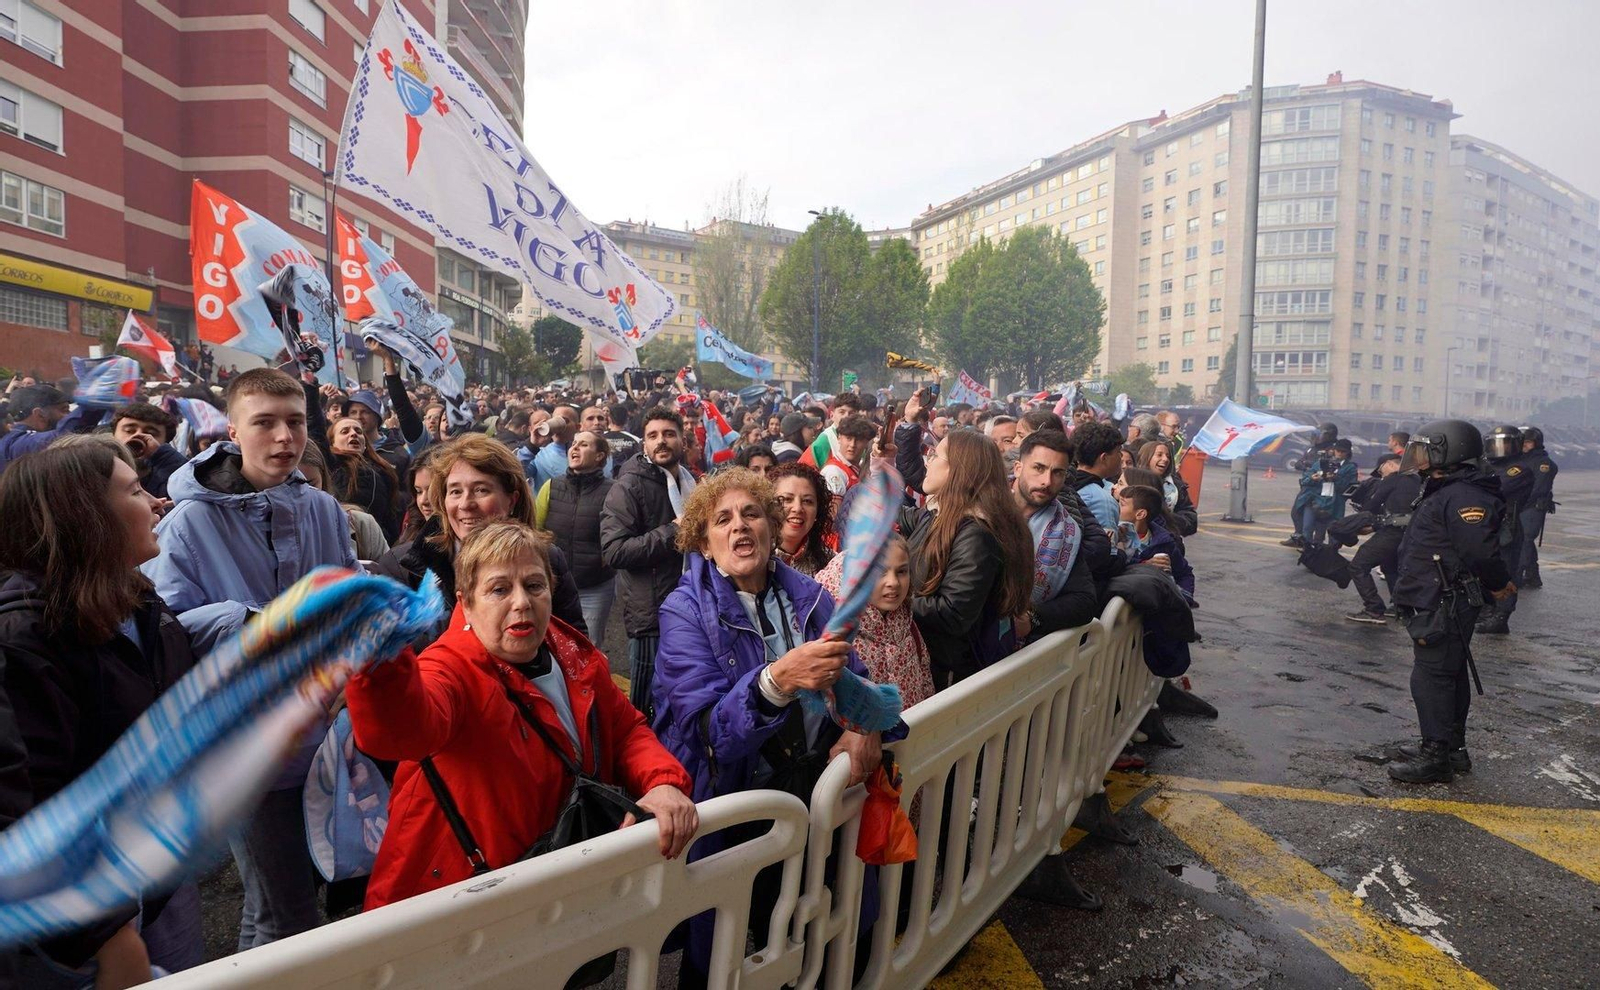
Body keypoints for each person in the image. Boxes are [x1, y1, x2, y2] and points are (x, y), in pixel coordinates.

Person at [346, 522, 695, 910]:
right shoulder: (450, 668)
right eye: (499, 589)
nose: (521, 602)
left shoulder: (571, 650)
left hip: (547, 886)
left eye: (534, 585)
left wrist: (663, 781)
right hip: (452, 905)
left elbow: (625, 728)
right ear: (465, 601)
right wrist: (381, 661)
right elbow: (401, 732)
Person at [650, 469, 900, 986]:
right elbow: (707, 734)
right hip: (732, 808)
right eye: (723, 520)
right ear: (704, 541)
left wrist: (865, 729)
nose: (740, 528)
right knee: (716, 953)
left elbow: (859, 683)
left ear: (771, 525)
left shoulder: (812, 597)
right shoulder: (682, 611)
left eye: (751, 514)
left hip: (811, 802)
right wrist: (775, 680)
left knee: (803, 935)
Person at [142, 368, 357, 951]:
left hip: (324, 737)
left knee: (276, 907)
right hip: (244, 747)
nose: (284, 438)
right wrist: (247, 621)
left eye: (295, 422)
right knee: (289, 918)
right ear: (233, 431)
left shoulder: (323, 509)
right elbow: (161, 630)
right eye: (265, 423)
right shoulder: (188, 523)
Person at [0, 436, 201, 984]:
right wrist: (107, 934)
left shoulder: (138, 599)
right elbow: (35, 813)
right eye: (136, 490)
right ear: (85, 517)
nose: (158, 501)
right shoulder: (25, 638)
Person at [1386, 421, 1515, 784]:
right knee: (1449, 673)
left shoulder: (1465, 496)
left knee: (1431, 678)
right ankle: (1452, 749)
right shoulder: (1449, 488)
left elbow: (1479, 551)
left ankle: (1435, 756)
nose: (1419, 457)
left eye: (1427, 449)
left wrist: (1499, 584)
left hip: (1444, 600)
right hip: (1434, 595)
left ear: (1450, 451)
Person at [373, 434, 586, 641]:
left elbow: (573, 641)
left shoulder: (548, 558)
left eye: (481, 490)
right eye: (455, 492)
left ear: (512, 500)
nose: (466, 504)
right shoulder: (400, 567)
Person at [900, 429, 1035, 688]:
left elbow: (954, 613)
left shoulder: (976, 533)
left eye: (936, 455)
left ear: (958, 470)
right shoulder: (940, 514)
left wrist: (893, 599)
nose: (927, 461)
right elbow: (899, 514)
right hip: (931, 662)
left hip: (949, 675)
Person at [601, 407, 694, 718]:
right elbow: (615, 552)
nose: (661, 441)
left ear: (683, 439)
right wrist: (674, 531)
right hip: (649, 616)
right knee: (642, 704)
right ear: (644, 443)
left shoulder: (689, 481)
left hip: (687, 605)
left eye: (669, 434)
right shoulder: (628, 486)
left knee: (677, 693)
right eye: (653, 436)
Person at [1011, 430, 1098, 641]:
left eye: (1057, 472)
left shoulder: (1066, 531)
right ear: (1018, 468)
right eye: (1038, 468)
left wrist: (1032, 618)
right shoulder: (983, 510)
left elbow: (1083, 601)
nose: (1047, 481)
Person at [536, 430, 616, 646]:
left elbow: (619, 532)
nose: (575, 448)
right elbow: (534, 529)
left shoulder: (614, 491)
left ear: (599, 456)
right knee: (553, 643)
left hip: (594, 587)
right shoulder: (551, 486)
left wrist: (606, 559)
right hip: (554, 585)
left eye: (583, 444)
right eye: (574, 444)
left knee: (587, 646)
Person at [1343, 456, 1422, 624]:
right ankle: (1400, 607)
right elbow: (1403, 513)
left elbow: (1371, 507)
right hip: (1410, 533)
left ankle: (1373, 609)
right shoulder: (1418, 479)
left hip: (1393, 532)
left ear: (1390, 464)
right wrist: (1376, 527)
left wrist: (1357, 523)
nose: (1381, 475)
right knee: (1390, 566)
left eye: (1381, 470)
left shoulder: (1393, 479)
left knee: (1358, 565)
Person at [1475, 425, 1532, 635]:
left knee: (1507, 571)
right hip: (1485, 525)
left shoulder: (1518, 470)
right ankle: (1485, 609)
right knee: (1483, 568)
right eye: (1497, 443)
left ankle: (1501, 616)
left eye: (1507, 443)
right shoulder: (1486, 465)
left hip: (1506, 526)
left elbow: (1498, 488)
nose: (1501, 448)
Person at [322, 415, 403, 541]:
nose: (353, 434)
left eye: (358, 431)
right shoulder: (330, 466)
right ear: (332, 443)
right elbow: (314, 424)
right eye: (345, 431)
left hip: (375, 544)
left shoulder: (384, 473)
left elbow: (390, 518)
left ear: (365, 444)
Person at [1116, 485, 1194, 597]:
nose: (1115, 506)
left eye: (1121, 504)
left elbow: (1185, 573)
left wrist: (1184, 597)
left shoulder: (1164, 541)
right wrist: (1144, 565)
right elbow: (1112, 567)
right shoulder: (1115, 534)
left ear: (1140, 514)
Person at [0, 383, 98, 472]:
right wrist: (93, 405)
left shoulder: (13, 439)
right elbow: (63, 437)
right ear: (40, 415)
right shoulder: (18, 444)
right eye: (64, 410)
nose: (69, 415)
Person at [767, 461, 834, 576]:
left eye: (807, 501)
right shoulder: (753, 557)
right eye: (787, 499)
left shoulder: (831, 564)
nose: (797, 508)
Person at [110, 402, 187, 499]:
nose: (137, 436)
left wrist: (162, 456)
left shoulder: (172, 476)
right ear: (113, 435)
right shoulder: (95, 468)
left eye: (150, 433)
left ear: (165, 443)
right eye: (129, 431)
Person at [1294, 438, 1357, 547]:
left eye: (1343, 452)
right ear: (1334, 450)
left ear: (1348, 453)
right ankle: (1308, 552)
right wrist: (1312, 478)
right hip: (1314, 500)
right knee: (1307, 529)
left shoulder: (1350, 468)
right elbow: (1305, 480)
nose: (1340, 454)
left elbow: (1349, 487)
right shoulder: (1321, 463)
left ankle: (1329, 556)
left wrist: (1335, 478)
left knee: (1333, 535)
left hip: (1334, 504)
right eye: (1338, 451)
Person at [1283, 423, 1339, 548]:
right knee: (1296, 512)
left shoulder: (1333, 449)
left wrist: (1309, 465)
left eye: (1320, 434)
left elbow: (1326, 466)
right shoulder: (1311, 449)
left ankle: (1316, 542)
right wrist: (1307, 465)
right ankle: (1298, 536)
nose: (1316, 437)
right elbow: (1298, 463)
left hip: (1321, 488)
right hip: (1308, 485)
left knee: (1320, 515)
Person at [1517, 426, 1558, 589]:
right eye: (1522, 442)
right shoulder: (1521, 459)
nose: (1524, 446)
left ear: (1536, 443)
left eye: (1528, 442)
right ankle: (1533, 576)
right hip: (1521, 506)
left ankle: (1517, 576)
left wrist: (1518, 502)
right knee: (1524, 541)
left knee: (1524, 541)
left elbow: (1538, 489)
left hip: (1532, 507)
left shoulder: (1543, 463)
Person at [1070, 421, 1127, 531]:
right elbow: (1105, 546)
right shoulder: (1102, 502)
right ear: (1104, 458)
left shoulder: (1064, 483)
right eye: (1118, 452)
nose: (1121, 456)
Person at [1135, 438, 1197, 536]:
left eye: (1168, 456)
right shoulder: (1131, 480)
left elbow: (1191, 520)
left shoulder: (1176, 484)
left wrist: (1168, 521)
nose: (1165, 459)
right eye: (1159, 455)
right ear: (1146, 457)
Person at [819, 413, 876, 505]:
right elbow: (834, 515)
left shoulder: (860, 468)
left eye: (859, 440)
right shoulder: (834, 471)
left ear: (866, 443)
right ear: (839, 438)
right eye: (848, 438)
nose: (852, 445)